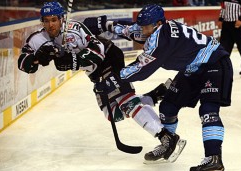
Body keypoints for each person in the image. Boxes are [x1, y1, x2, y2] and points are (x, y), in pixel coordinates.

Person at [17, 2, 186, 161]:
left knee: (126, 102)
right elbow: (23, 63)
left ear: (62, 19)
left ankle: (166, 138)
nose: (50, 25)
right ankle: (156, 94)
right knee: (112, 114)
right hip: (95, 73)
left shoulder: (75, 30)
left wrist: (73, 60)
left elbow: (99, 50)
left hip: (109, 59)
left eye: (54, 20)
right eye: (46, 21)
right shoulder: (38, 38)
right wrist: (36, 58)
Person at [92, 4, 233, 170]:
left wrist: (112, 79)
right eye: (143, 27)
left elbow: (141, 70)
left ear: (158, 24)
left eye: (146, 28)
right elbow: (129, 29)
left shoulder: (161, 41)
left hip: (214, 62)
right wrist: (102, 24)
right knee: (168, 106)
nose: (143, 31)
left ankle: (214, 159)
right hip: (192, 68)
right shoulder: (155, 27)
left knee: (208, 110)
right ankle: (168, 145)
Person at [218, 0, 241, 75]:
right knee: (224, 48)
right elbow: (223, 9)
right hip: (227, 26)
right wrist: (220, 19)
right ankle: (223, 67)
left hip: (239, 26)